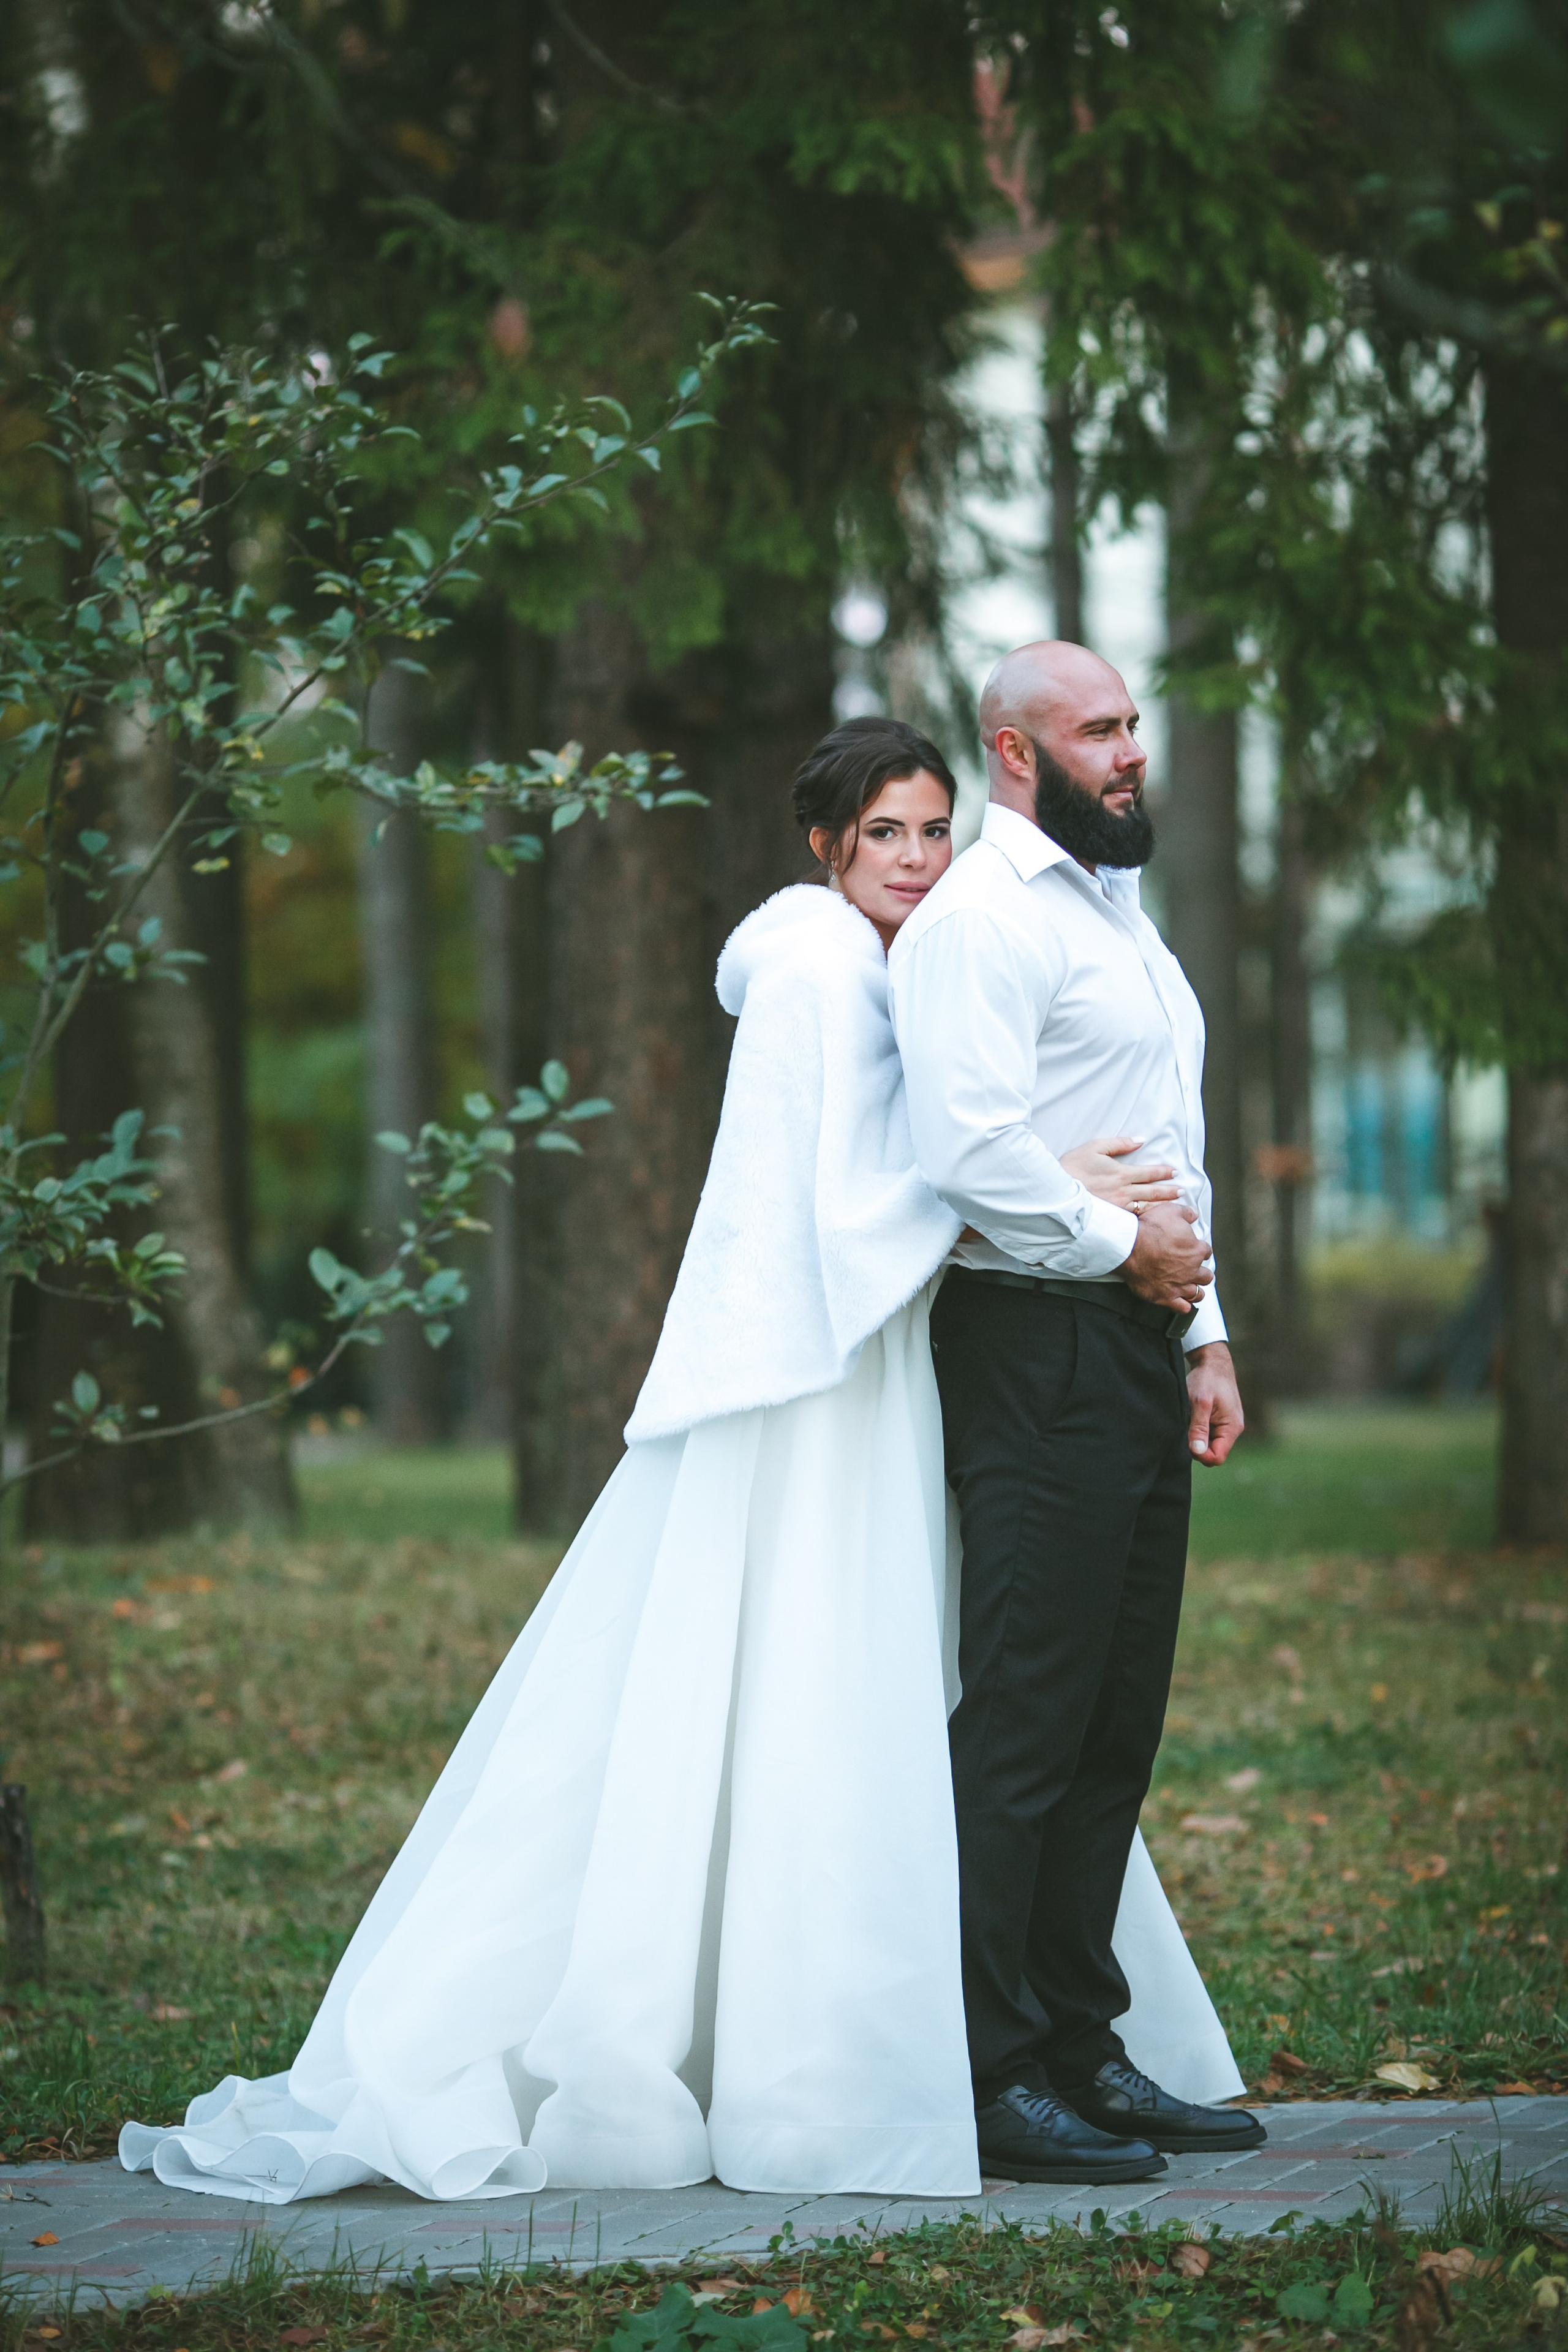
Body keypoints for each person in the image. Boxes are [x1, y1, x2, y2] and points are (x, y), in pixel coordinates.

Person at [121, 715, 1240, 2209]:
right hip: (812, 1385)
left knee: (930, 1699)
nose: (912, 860)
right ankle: (871, 2056)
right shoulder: (802, 967)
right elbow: (827, 1203)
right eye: (883, 834)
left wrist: (1053, 1190)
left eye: (930, 832)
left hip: (905, 1370)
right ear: (822, 843)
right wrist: (1054, 1195)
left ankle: (1014, 2029)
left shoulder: (911, 958)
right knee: (812, 1692)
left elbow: (952, 1149)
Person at [888, 643, 1264, 2187]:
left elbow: (1159, 1144)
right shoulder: (980, 920)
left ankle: (1078, 2044)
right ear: (1012, 752)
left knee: (1114, 1719)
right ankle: (990, 2073)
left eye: (1131, 727)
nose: (1129, 753)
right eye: (1096, 731)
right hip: (1029, 1344)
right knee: (1029, 1723)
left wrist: (1205, 1335)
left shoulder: (1115, 913)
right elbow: (966, 1152)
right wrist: (1129, 1256)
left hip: (1129, 1341)